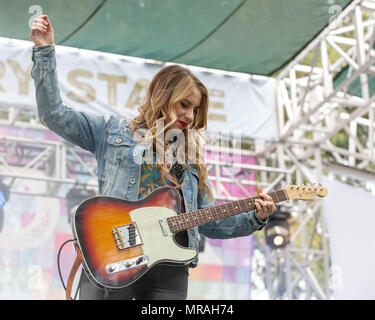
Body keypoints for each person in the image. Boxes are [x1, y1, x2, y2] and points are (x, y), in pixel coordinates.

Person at [30, 14, 276, 300]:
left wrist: (255, 217)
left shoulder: (190, 161)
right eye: (184, 105)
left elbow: (208, 222)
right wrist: (44, 51)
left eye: (195, 110)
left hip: (169, 269)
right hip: (112, 255)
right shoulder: (112, 131)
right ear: (164, 97)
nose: (189, 115)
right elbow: (53, 114)